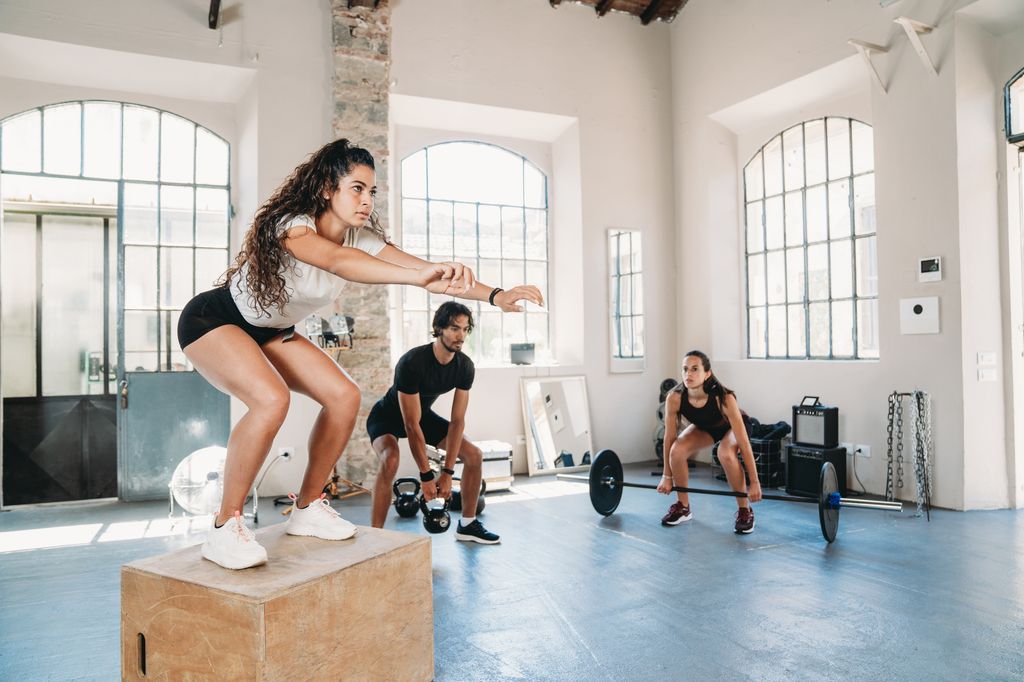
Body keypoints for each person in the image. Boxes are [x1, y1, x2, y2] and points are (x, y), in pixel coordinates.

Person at [179, 139, 479, 570]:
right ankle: (225, 527)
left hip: (270, 332)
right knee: (271, 400)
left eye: (371, 192)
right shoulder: (292, 224)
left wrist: (497, 294)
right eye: (356, 188)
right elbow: (339, 261)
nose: (366, 199)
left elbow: (428, 271)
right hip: (213, 320)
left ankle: (306, 508)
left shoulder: (363, 237)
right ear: (326, 187)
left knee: (344, 395)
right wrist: (417, 277)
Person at [368, 302, 498, 543]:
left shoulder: (464, 367)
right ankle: (376, 536)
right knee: (390, 459)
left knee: (474, 456)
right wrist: (426, 476)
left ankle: (468, 524)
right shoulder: (413, 362)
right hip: (387, 416)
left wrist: (447, 473)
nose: (461, 336)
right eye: (454, 328)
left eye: (466, 329)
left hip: (422, 416)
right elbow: (410, 424)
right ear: (438, 328)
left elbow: (457, 422)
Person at [656, 350, 762, 533]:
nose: (688, 374)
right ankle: (683, 507)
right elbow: (669, 437)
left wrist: (755, 482)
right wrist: (667, 476)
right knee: (677, 450)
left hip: (733, 427)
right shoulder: (675, 398)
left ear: (707, 374)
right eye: (685, 369)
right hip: (706, 428)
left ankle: (745, 510)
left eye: (695, 369)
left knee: (725, 453)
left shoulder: (725, 398)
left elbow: (744, 444)